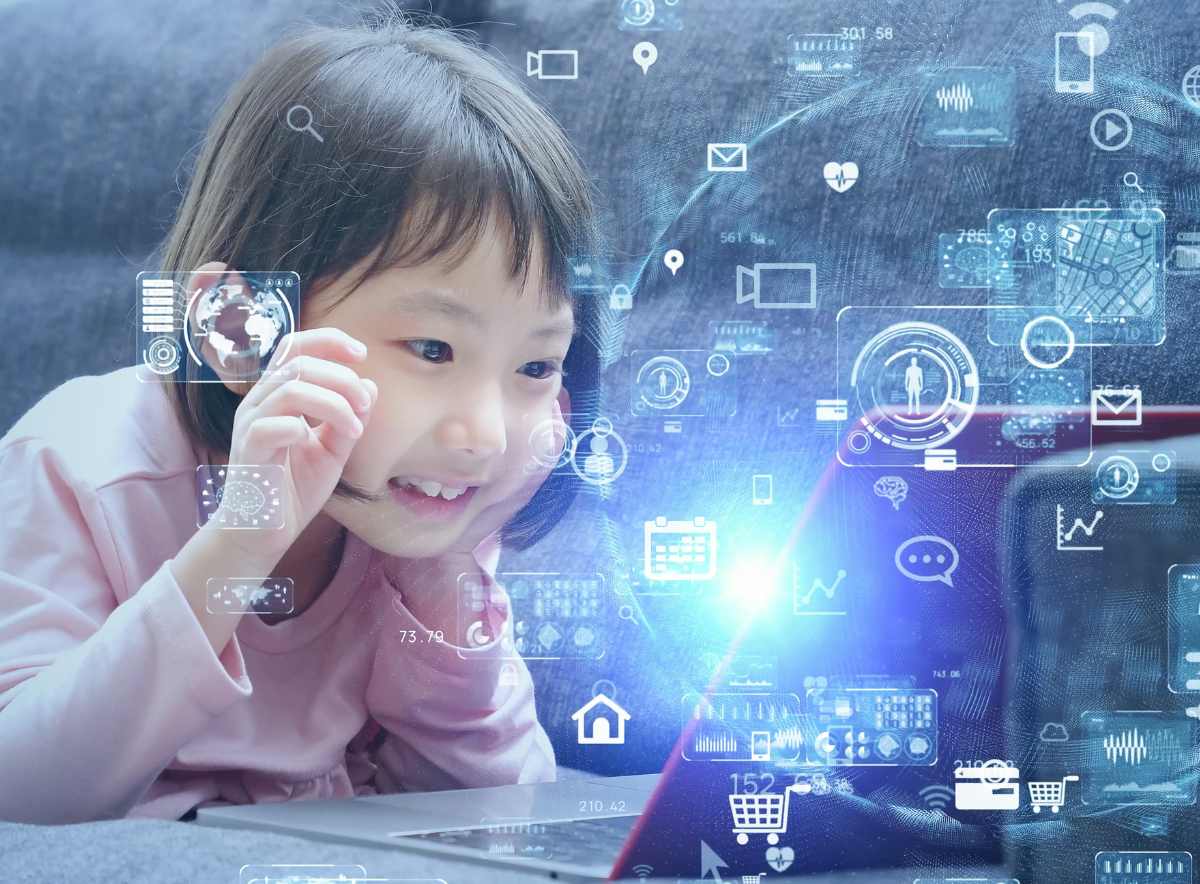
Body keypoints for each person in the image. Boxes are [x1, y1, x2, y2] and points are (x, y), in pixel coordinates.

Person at [0, 14, 598, 824]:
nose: (486, 435)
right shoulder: (80, 461)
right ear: (239, 328)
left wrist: (444, 576)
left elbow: (509, 819)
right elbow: (19, 800)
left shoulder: (404, 507)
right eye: (430, 347)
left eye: (535, 367)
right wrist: (242, 537)